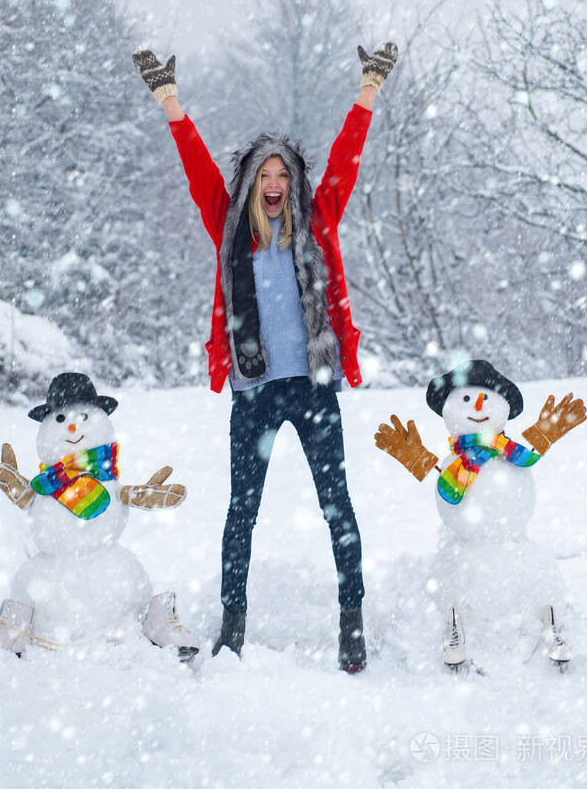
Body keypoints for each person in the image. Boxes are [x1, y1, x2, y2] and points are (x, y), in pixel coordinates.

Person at [133, 40, 398, 671]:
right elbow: (197, 166)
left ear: (295, 183)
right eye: (264, 175)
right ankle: (233, 624)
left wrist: (367, 91)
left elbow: (346, 160)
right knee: (240, 513)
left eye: (283, 174)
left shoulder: (318, 217)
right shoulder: (228, 224)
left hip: (313, 388)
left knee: (339, 505)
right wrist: (170, 102)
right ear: (250, 182)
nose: (274, 184)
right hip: (254, 392)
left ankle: (351, 621)